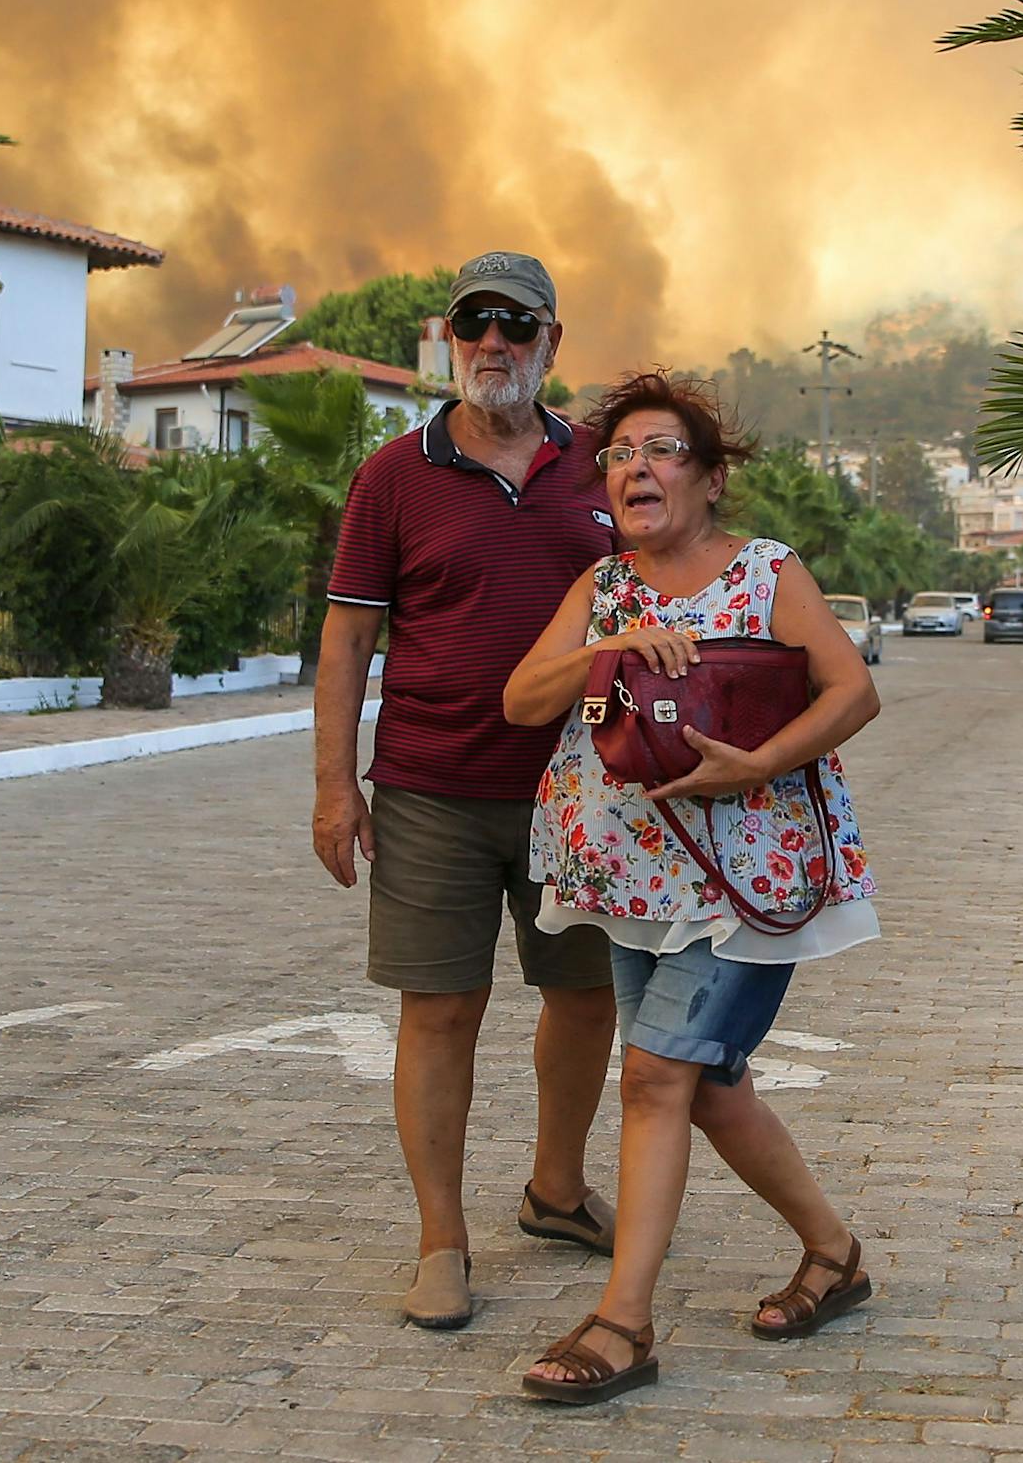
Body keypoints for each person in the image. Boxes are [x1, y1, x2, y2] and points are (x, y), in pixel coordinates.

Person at [503, 370, 881, 1404]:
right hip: (630, 877)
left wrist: (756, 764)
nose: (636, 467)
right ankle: (831, 1251)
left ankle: (621, 1322)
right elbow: (520, 697)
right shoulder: (603, 586)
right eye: (620, 454)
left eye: (662, 449)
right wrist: (610, 641)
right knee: (706, 1085)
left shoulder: (765, 572)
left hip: (743, 880)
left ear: (709, 478)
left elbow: (853, 689)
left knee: (655, 1077)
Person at [312, 251, 620, 1333]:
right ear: (449, 336)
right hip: (430, 787)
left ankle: (555, 1187)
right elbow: (349, 632)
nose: (493, 343)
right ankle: (440, 1239)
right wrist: (332, 787)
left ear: (550, 341)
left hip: (579, 793)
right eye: (473, 323)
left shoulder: (602, 469)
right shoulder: (394, 474)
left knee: (584, 998)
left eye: (516, 325)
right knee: (439, 1010)